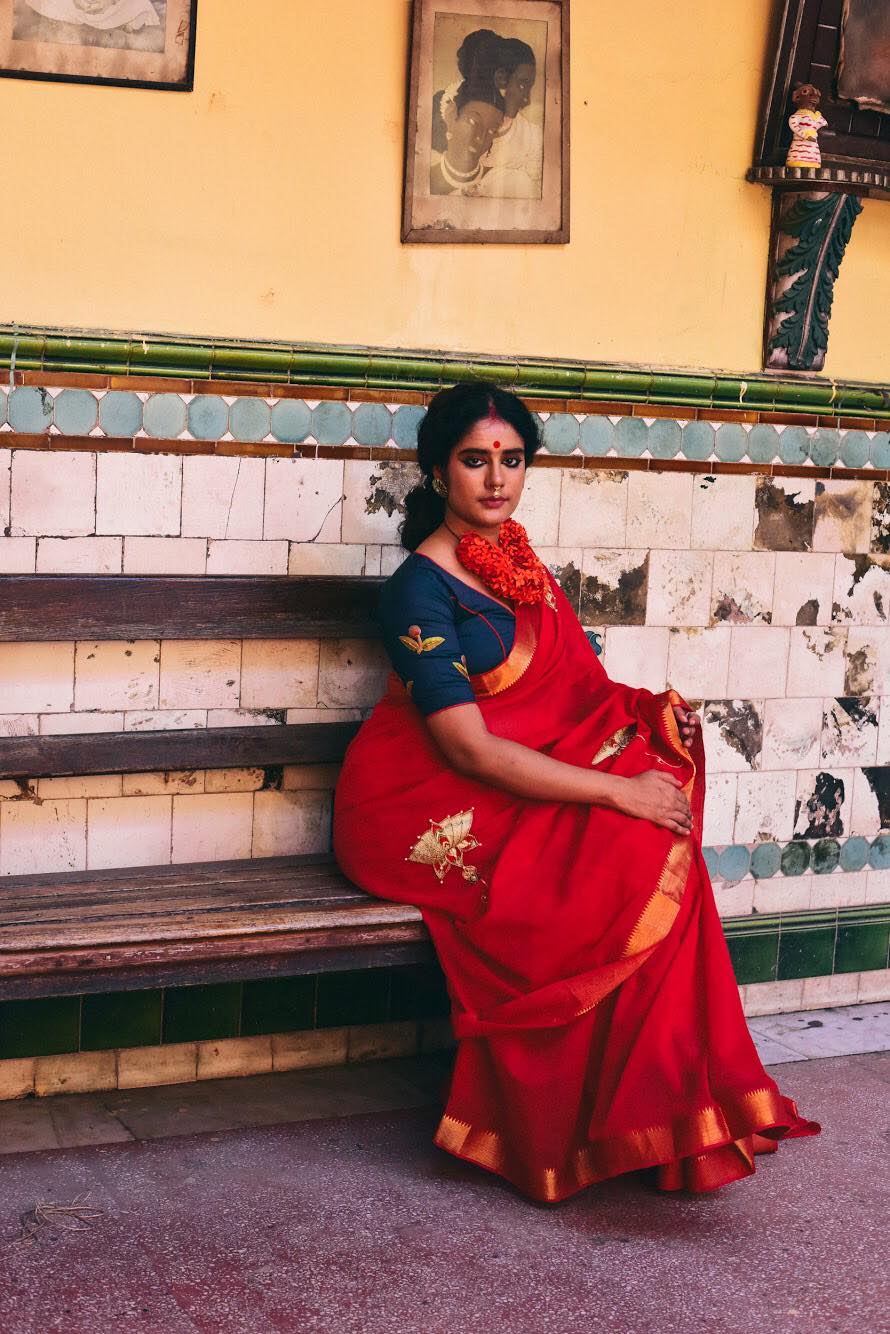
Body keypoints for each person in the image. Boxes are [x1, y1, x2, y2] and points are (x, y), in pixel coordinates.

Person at [333, 383, 820, 1203]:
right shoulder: (419, 588)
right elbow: (467, 746)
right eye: (475, 460)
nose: (496, 479)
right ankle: (569, 1127)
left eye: (512, 460)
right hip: (424, 801)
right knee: (624, 839)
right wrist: (613, 792)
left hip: (510, 775)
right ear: (437, 470)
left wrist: (639, 743)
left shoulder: (519, 560)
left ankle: (658, 1117)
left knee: (655, 818)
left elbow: (576, 696)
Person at [478, 37, 544, 199]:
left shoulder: (532, 137)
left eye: (529, 87)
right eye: (523, 84)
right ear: (501, 79)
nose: (526, 99)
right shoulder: (459, 124)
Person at [429, 80, 505, 196]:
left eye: (492, 130)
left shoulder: (502, 181)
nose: (480, 138)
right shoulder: (425, 179)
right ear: (451, 115)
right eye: (473, 121)